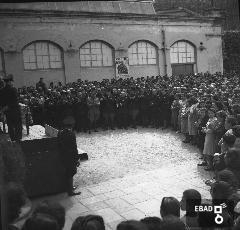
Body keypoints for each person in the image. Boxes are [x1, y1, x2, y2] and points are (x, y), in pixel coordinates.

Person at [57, 116, 81, 196]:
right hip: (70, 156)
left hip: (63, 155)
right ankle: (70, 191)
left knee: (68, 172)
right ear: (72, 125)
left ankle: (69, 188)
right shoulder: (71, 134)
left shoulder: (60, 132)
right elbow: (74, 147)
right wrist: (77, 159)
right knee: (71, 173)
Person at [1, 74, 22, 141]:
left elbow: (1, 102)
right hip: (15, 111)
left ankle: (12, 139)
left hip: (7, 112)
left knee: (10, 126)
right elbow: (15, 102)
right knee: (18, 126)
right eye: (12, 81)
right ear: (10, 82)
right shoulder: (13, 89)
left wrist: (3, 109)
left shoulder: (1, 90)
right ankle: (18, 140)